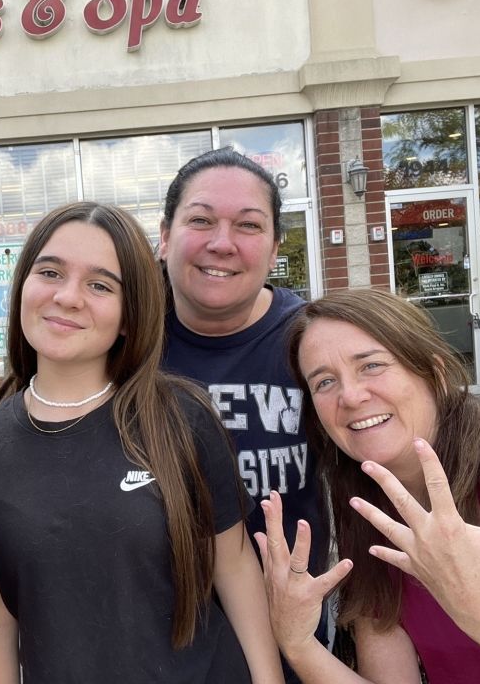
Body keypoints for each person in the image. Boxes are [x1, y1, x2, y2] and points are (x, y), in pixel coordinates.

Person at [0, 202, 283, 683]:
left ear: (130, 315)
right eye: (50, 272)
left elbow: (234, 565)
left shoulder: (180, 417)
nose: (68, 297)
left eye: (99, 285)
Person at [257, 287, 480, 683]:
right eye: (325, 382)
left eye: (371, 366)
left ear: (433, 371)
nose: (350, 396)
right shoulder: (368, 513)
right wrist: (296, 642)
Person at [159, 147, 330, 682]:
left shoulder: (315, 341)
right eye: (201, 220)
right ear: (164, 235)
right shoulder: (122, 344)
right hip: (159, 626)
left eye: (248, 225)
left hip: (292, 626)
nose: (222, 243)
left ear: (276, 247)